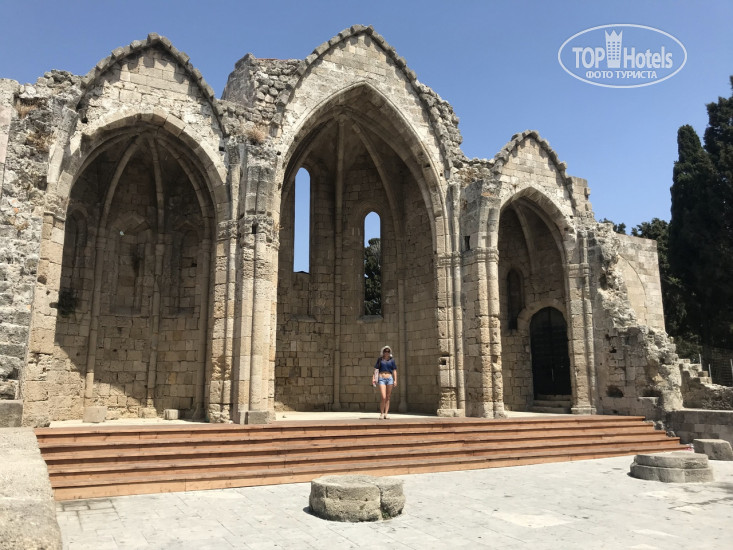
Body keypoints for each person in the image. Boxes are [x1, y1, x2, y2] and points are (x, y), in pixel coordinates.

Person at [372, 345, 397, 419]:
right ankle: (381, 413)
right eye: (385, 351)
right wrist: (373, 378)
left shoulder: (392, 360)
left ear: (390, 352)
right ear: (383, 352)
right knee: (383, 397)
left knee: (388, 397)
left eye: (388, 351)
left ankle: (386, 413)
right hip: (381, 378)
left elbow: (394, 370)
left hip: (389, 378)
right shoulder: (380, 360)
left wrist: (395, 380)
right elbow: (376, 370)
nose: (387, 352)